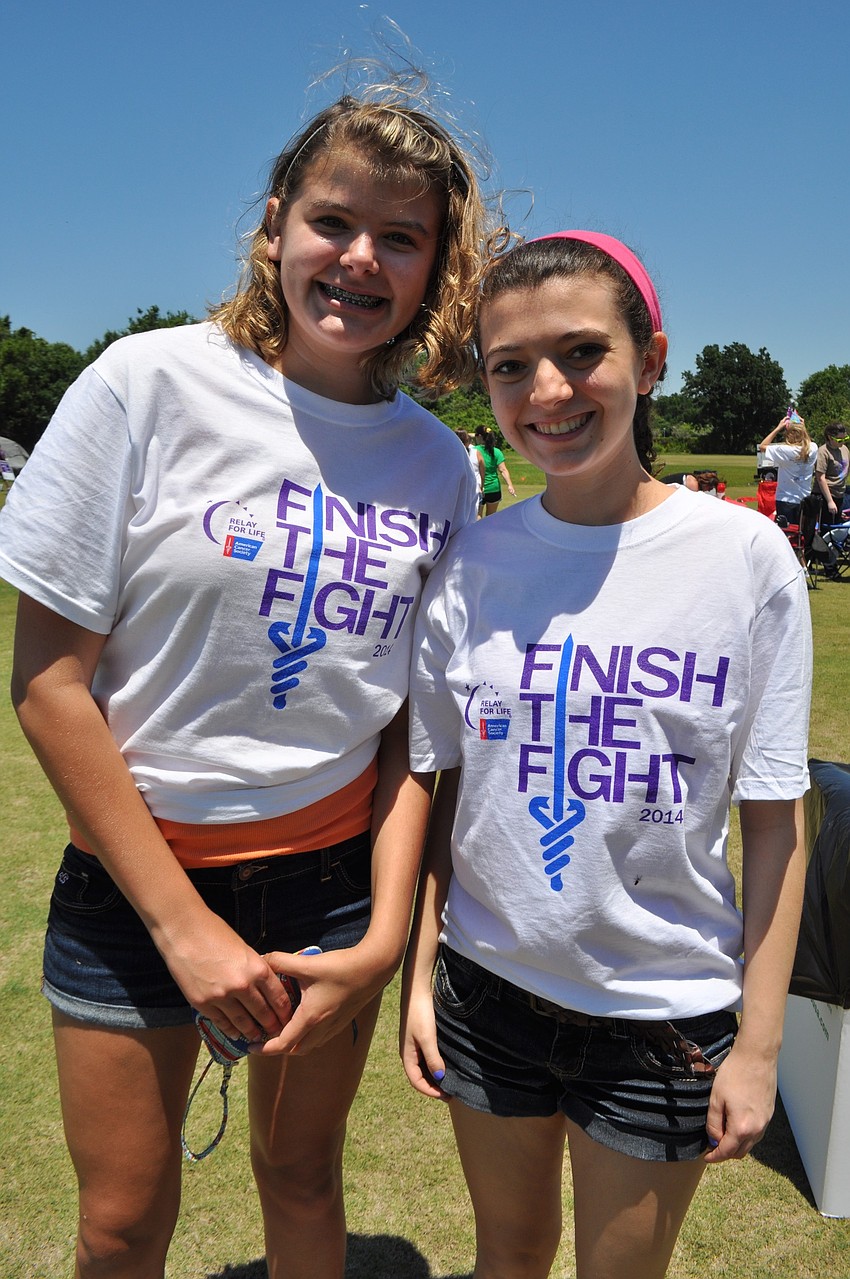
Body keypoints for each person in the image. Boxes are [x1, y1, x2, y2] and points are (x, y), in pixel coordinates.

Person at [0, 85, 494, 1279]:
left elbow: (403, 733)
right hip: (136, 889)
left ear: (437, 268)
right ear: (274, 227)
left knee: (303, 1178)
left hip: (326, 891)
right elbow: (48, 682)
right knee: (121, 1222)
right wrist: (183, 928)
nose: (359, 259)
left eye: (401, 237)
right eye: (333, 221)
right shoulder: (145, 383)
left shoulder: (438, 465)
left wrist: (386, 936)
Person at [401, 231, 810, 1279]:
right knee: (508, 1256)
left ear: (652, 357)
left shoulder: (745, 558)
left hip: (656, 1013)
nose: (547, 389)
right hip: (485, 989)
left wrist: (758, 1047)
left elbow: (774, 816)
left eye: (582, 351)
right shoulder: (475, 561)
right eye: (509, 366)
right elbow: (446, 793)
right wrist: (419, 977)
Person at [757, 414, 817, 526]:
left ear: (788, 435)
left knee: (786, 534)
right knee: (802, 534)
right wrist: (803, 427)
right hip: (804, 499)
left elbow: (762, 446)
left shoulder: (784, 450)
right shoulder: (813, 448)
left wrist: (778, 428)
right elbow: (807, 441)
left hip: (785, 499)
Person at [813, 422, 849, 530]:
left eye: (845, 438)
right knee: (826, 529)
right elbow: (820, 478)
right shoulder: (823, 452)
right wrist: (830, 501)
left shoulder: (844, 449)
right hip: (825, 495)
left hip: (840, 494)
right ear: (830, 437)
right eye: (839, 440)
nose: (842, 442)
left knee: (839, 529)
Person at [474, 424, 516, 514]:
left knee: (477, 516)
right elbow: (503, 470)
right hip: (494, 488)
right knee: (491, 517)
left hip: (479, 487)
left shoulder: (474, 450)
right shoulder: (496, 451)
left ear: (480, 436)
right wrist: (510, 485)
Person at [458, 428, 486, 509]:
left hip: (459, 491)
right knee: (477, 516)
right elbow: (482, 472)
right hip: (475, 489)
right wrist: (481, 486)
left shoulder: (452, 454)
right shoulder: (476, 452)